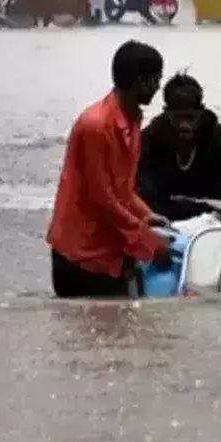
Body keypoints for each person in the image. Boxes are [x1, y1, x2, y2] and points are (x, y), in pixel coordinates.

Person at [45, 40, 172, 298]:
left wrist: (147, 215)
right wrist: (146, 239)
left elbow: (123, 190)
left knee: (121, 331)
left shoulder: (132, 118)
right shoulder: (96, 126)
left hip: (111, 251)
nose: (159, 87)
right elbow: (101, 198)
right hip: (82, 254)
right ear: (140, 81)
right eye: (156, 79)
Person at [137, 73, 221, 221]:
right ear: (166, 112)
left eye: (191, 117)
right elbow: (144, 191)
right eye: (178, 118)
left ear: (201, 112)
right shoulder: (148, 139)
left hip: (208, 220)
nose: (184, 125)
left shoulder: (220, 139)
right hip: (160, 219)